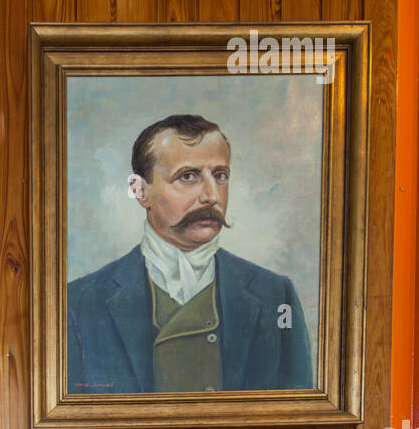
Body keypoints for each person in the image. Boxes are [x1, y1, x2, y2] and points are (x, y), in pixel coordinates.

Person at [67, 112, 313, 395]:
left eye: (220, 175)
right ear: (139, 191)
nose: (211, 196)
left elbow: (298, 411)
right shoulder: (79, 303)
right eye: (188, 176)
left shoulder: (275, 294)